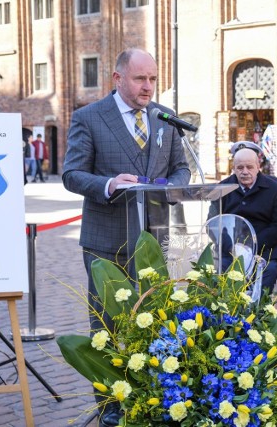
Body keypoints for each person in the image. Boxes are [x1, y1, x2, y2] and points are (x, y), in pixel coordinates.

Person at [62, 48, 190, 427]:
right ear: (117, 79)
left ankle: (149, 404)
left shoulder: (165, 119)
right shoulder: (89, 117)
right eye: (140, 79)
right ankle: (110, 410)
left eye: (152, 78)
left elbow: (181, 168)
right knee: (108, 329)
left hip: (156, 239)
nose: (148, 86)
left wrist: (172, 189)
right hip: (107, 240)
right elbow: (71, 174)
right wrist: (109, 183)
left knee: (154, 322)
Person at [208, 142, 277, 294]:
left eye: (250, 167)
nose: (245, 172)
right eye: (240, 168)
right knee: (217, 273)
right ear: (233, 168)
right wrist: (232, 246)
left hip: (263, 249)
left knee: (269, 270)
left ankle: (258, 314)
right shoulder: (221, 188)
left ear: (259, 167)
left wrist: (252, 245)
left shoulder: (273, 189)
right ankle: (226, 314)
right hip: (229, 251)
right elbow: (212, 225)